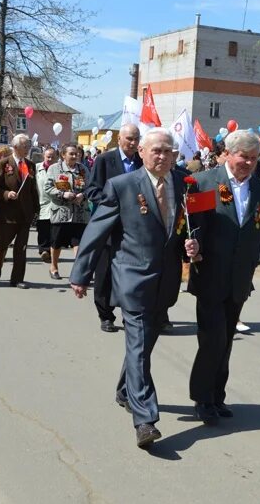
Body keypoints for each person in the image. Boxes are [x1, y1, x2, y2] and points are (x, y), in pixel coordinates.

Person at [68, 129, 198, 449]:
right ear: (141, 151)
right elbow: (97, 232)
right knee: (139, 344)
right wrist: (81, 273)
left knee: (144, 345)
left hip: (165, 280)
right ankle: (145, 420)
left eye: (168, 151)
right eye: (156, 150)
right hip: (132, 278)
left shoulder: (185, 184)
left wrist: (194, 245)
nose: (163, 156)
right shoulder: (122, 186)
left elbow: (190, 226)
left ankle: (125, 390)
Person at [187, 130, 260, 426]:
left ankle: (217, 395)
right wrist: (191, 245)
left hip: (239, 278)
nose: (247, 163)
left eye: (253, 158)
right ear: (228, 154)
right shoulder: (204, 183)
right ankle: (202, 398)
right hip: (209, 274)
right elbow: (192, 227)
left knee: (226, 342)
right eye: (242, 157)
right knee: (212, 340)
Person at [86, 123, 143, 331]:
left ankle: (130, 314)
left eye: (136, 139)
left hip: (134, 229)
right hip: (109, 227)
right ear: (119, 139)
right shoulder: (104, 160)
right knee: (105, 273)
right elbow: (92, 190)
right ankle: (106, 314)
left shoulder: (142, 162)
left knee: (130, 273)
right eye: (129, 138)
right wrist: (116, 203)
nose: (133, 143)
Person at [0, 134, 40, 288]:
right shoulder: (3, 164)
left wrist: (36, 210)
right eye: (25, 146)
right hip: (8, 214)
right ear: (16, 147)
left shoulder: (30, 165)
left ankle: (17, 278)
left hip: (25, 213)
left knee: (21, 247)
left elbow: (33, 189)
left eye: (28, 146)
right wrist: (6, 194)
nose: (28, 149)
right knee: (3, 244)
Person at [44, 144, 90, 280]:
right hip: (61, 213)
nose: (75, 156)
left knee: (79, 243)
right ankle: (54, 266)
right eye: (71, 154)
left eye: (76, 154)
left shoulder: (83, 169)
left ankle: (77, 271)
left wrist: (83, 195)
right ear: (63, 155)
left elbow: (91, 187)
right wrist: (63, 194)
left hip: (79, 213)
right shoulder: (55, 169)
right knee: (57, 242)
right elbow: (47, 188)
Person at [35, 146, 59, 263]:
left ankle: (50, 251)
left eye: (52, 157)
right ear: (44, 156)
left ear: (57, 158)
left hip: (56, 203)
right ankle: (44, 250)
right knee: (42, 227)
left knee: (54, 229)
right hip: (41, 202)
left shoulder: (60, 169)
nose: (50, 159)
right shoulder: (36, 168)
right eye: (48, 156)